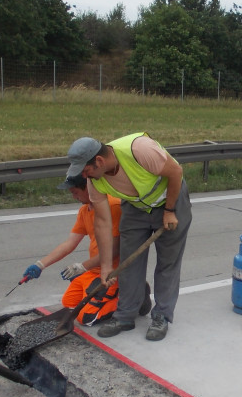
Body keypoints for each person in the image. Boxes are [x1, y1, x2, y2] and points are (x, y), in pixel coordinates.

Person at [65, 133, 192, 341]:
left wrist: (170, 211)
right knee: (128, 261)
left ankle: (161, 316)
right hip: (135, 205)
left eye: (86, 170)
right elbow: (103, 222)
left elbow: (176, 172)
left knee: (168, 262)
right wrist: (106, 267)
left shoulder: (139, 149)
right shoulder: (94, 181)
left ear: (99, 161)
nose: (85, 176)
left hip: (171, 199)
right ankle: (125, 315)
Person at [20, 175, 143, 325]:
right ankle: (125, 295)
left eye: (75, 192)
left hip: (112, 273)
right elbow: (70, 243)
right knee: (69, 303)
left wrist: (83, 266)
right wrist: (40, 265)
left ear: (88, 188)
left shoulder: (113, 206)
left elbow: (114, 249)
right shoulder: (85, 210)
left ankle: (135, 299)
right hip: (93, 272)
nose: (74, 197)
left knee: (86, 317)